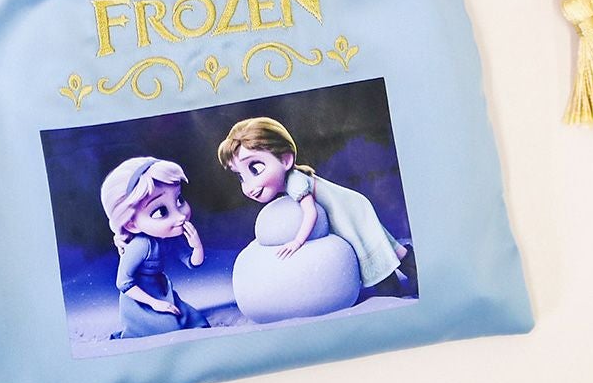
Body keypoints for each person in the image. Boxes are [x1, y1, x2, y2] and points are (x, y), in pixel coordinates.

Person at [217, 117, 416, 296]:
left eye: (256, 168)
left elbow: (310, 213)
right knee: (380, 241)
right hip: (346, 209)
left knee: (368, 245)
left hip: (348, 210)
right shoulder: (289, 183)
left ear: (285, 160)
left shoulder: (296, 183)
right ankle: (404, 273)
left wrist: (297, 242)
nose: (248, 187)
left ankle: (394, 281)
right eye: (240, 176)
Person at [100, 156, 210, 339]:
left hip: (162, 290)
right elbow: (123, 283)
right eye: (160, 212)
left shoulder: (167, 238)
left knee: (195, 321)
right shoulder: (141, 245)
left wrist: (197, 247)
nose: (180, 216)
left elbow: (193, 263)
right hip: (140, 300)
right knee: (169, 327)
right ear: (131, 224)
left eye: (179, 200)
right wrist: (154, 303)